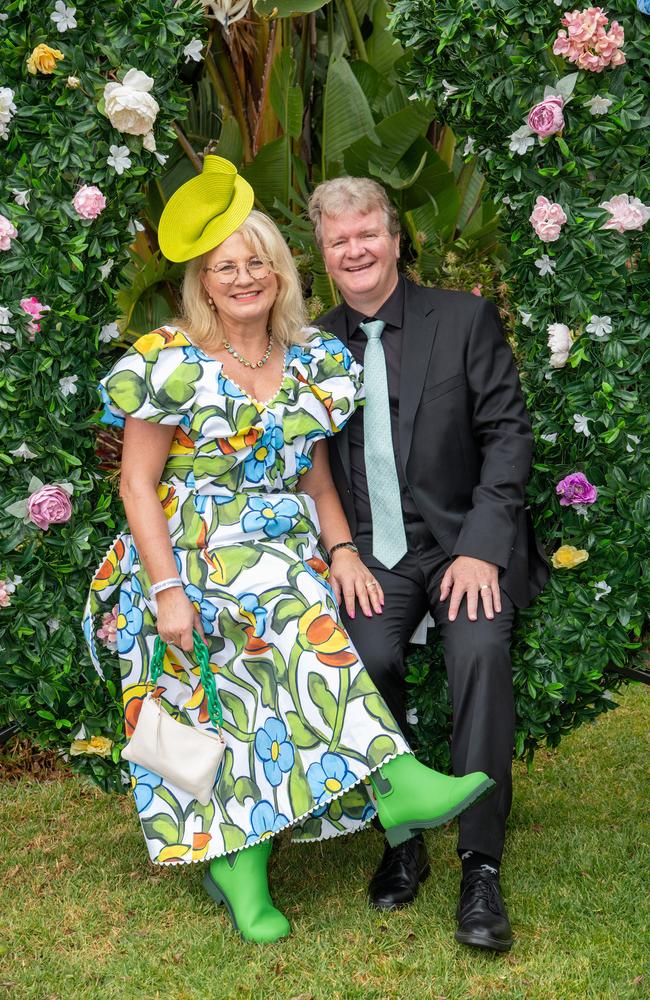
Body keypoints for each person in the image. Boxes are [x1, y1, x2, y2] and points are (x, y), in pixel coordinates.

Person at [83, 156, 495, 944]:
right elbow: (138, 486)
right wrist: (168, 591)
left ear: (279, 274)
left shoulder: (309, 360)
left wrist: (342, 550)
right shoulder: (169, 358)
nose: (243, 278)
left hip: (278, 549)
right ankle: (386, 782)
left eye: (257, 263)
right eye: (224, 268)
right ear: (202, 284)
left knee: (275, 649)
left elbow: (314, 479)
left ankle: (246, 867)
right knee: (281, 610)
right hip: (189, 550)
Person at [308, 176, 550, 953]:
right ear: (323, 253)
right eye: (339, 240)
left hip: (458, 541)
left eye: (367, 233)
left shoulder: (464, 319)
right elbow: (304, 462)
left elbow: (509, 438)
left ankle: (480, 864)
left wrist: (482, 547)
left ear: (395, 237)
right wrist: (339, 550)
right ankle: (402, 838)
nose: (356, 250)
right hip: (371, 552)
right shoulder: (309, 345)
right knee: (365, 656)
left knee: (478, 650)